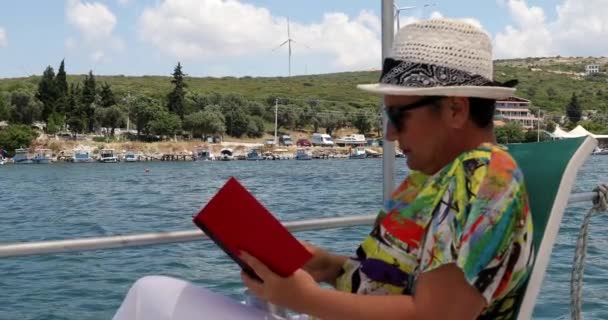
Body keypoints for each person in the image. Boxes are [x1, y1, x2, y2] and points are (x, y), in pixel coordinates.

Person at [113, 18, 534, 320]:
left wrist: (307, 300)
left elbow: (437, 315)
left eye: (398, 116)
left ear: (456, 109)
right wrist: (329, 267)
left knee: (149, 294)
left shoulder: (484, 178)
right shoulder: (436, 176)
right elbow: (393, 281)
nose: (388, 133)